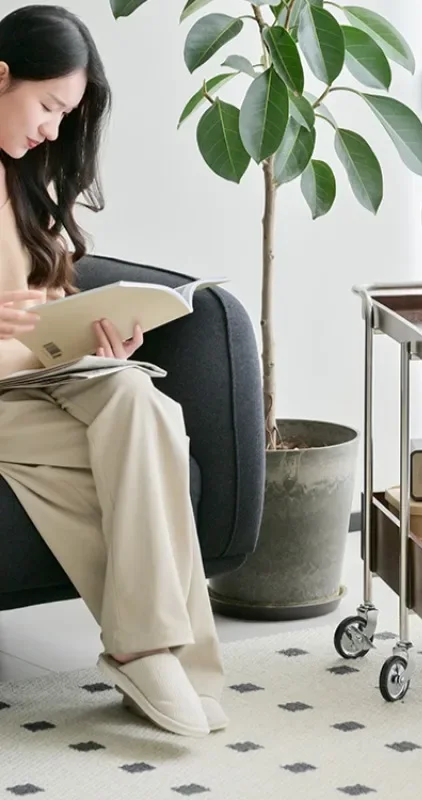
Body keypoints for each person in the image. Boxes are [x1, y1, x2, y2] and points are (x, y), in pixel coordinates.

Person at [0, 5, 227, 738]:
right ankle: (157, 653)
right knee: (142, 428)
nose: (53, 131)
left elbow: (46, 298)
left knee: (143, 398)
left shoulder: (21, 181)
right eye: (48, 107)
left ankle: (142, 649)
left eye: (66, 114)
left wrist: (93, 337)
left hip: (44, 376)